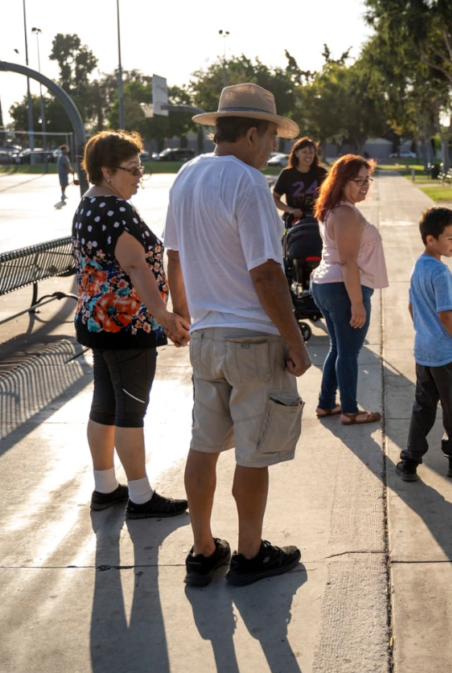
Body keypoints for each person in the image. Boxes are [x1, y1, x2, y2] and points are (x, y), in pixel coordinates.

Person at [164, 83, 312, 587]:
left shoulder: (186, 176)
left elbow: (175, 255)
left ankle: (203, 549)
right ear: (251, 133)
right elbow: (266, 273)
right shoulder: (248, 183)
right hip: (252, 339)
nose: (272, 148)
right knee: (254, 451)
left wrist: (181, 312)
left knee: (203, 445)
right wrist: (295, 340)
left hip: (206, 338)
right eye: (271, 136)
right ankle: (249, 555)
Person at [72, 130, 190, 519]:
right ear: (107, 171)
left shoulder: (89, 205)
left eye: (141, 168)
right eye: (133, 169)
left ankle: (106, 488)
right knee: (130, 411)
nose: (139, 176)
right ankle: (140, 497)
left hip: (99, 321)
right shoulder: (115, 210)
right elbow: (136, 265)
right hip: (126, 326)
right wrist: (165, 317)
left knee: (105, 405)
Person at [396, 207, 452, 482]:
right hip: (448, 355)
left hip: (424, 352)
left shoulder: (419, 266)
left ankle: (410, 461)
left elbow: (411, 305)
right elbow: (445, 314)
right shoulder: (440, 272)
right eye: (450, 238)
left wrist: (422, 331)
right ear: (431, 239)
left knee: (423, 408)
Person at [311, 155, 389, 425]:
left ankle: (325, 404)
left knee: (338, 348)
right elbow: (347, 261)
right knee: (349, 353)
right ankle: (350, 411)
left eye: (368, 179)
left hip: (329, 285)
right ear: (342, 181)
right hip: (342, 289)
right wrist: (357, 303)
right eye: (359, 181)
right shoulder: (345, 213)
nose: (365, 185)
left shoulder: (337, 207)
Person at [273, 137, 327, 226]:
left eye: (311, 152)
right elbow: (275, 198)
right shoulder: (287, 174)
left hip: (316, 221)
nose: (308, 156)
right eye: (304, 152)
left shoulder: (321, 173)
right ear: (296, 154)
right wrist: (290, 210)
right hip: (293, 221)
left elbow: (333, 195)